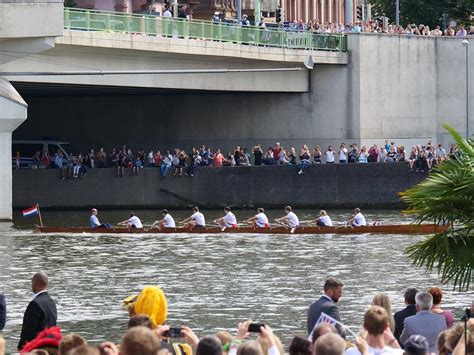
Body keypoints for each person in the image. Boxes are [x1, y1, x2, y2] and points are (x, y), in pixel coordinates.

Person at [18, 272, 57, 350]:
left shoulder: (35, 304)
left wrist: (21, 347)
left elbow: (28, 330)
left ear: (35, 283)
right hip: (50, 345)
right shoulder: (51, 302)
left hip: (36, 348)